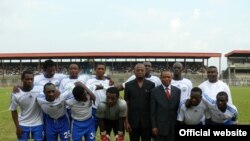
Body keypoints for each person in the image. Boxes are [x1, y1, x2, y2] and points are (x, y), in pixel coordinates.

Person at [9, 70, 44, 141]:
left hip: (38, 123)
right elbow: (13, 110)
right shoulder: (16, 93)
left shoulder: (40, 89)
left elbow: (51, 89)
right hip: (23, 124)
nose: (30, 81)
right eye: (27, 79)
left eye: (31, 79)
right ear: (22, 79)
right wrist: (17, 127)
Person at [124, 63, 155, 141]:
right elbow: (126, 103)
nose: (140, 72)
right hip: (132, 122)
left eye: (142, 70)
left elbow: (152, 104)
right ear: (134, 71)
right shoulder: (128, 85)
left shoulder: (151, 85)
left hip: (147, 122)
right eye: (138, 70)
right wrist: (126, 121)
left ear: (145, 71)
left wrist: (153, 123)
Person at [151, 70, 181, 141]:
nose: (166, 79)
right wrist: (154, 126)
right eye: (164, 77)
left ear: (171, 78)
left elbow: (177, 109)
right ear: (160, 78)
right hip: (160, 127)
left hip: (172, 126)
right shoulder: (154, 91)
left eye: (168, 77)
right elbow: (152, 111)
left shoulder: (177, 91)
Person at [86, 63, 112, 131]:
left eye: (102, 69)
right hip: (93, 110)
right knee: (92, 132)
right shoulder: (89, 81)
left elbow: (112, 95)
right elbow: (87, 92)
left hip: (105, 110)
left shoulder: (109, 82)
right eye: (99, 68)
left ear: (105, 70)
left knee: (105, 133)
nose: (100, 70)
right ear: (95, 70)